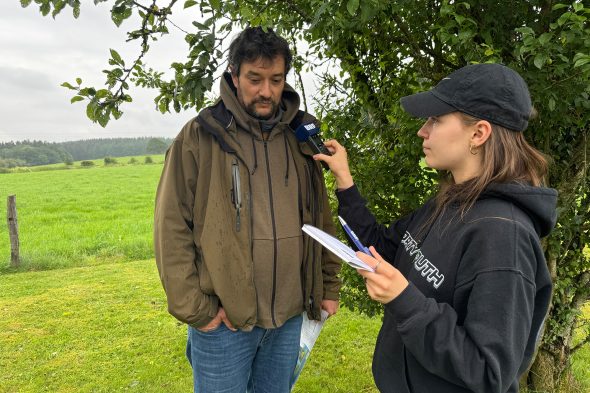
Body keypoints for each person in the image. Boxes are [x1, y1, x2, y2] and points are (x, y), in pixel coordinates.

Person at [314, 63, 557, 393]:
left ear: (479, 133)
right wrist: (344, 180)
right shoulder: (449, 201)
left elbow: (489, 374)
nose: (422, 131)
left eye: (436, 119)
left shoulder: (504, 235)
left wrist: (404, 300)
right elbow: (381, 247)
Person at [154, 27, 340, 393]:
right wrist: (198, 311)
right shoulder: (200, 137)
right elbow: (171, 226)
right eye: (254, 78)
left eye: (276, 79)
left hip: (288, 318)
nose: (266, 91)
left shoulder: (300, 136)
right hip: (225, 322)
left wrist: (328, 284)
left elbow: (320, 218)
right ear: (234, 74)